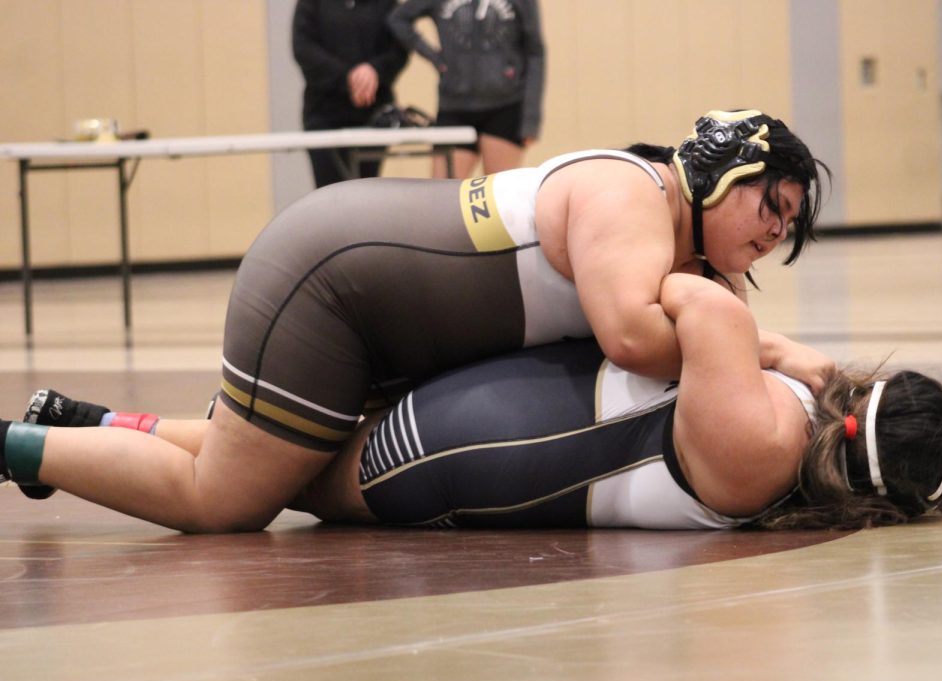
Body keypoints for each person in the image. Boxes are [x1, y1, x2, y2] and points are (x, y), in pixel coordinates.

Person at [0, 110, 830, 532]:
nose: (772, 231)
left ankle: (85, 425)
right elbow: (633, 342)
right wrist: (765, 347)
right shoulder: (637, 197)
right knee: (224, 503)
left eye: (786, 225)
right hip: (330, 290)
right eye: (771, 205)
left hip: (352, 289)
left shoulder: (664, 227)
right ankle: (15, 446)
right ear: (724, 174)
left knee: (266, 458)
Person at [1, 273, 942, 530]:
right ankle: (83, 424)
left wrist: (824, 370)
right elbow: (886, 460)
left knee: (226, 493)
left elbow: (699, 301)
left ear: (865, 399)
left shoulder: (761, 422)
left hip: (462, 436)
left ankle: (22, 446)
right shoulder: (794, 477)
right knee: (264, 452)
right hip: (481, 442)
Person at [387, 0, 545, 177]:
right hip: (454, 105)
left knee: (498, 195)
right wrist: (435, 58)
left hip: (505, 105)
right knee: (442, 195)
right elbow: (398, 18)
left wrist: (531, 119)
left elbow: (535, 51)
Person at [293, 0, 410, 187]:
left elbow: (399, 47)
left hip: (372, 113)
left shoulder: (387, 4)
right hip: (323, 113)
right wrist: (348, 78)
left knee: (368, 193)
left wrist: (375, 70)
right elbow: (303, 47)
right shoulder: (312, 3)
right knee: (329, 194)